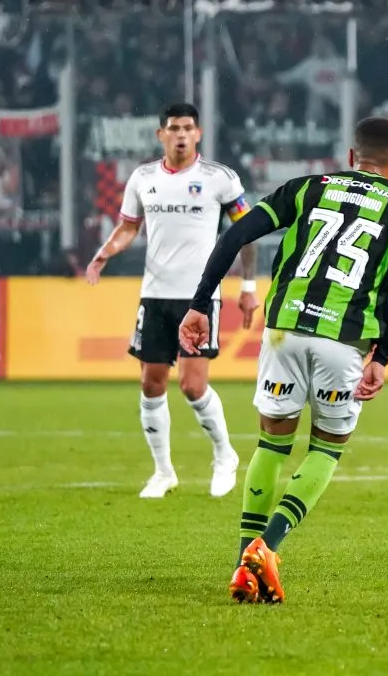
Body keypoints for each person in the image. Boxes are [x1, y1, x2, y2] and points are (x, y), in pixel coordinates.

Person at [178, 117, 388, 604]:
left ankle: (241, 562)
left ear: (351, 156)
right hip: (346, 338)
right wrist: (385, 354)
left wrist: (199, 302)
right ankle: (265, 550)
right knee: (326, 449)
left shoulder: (306, 188)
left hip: (283, 331)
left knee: (271, 447)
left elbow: (234, 237)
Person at [86, 103, 257, 500]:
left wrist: (248, 288)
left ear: (198, 134)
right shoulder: (143, 177)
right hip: (155, 295)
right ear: (161, 135)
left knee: (193, 387)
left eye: (188, 128)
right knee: (151, 384)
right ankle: (163, 472)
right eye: (174, 128)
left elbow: (246, 232)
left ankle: (224, 454)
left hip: (199, 297)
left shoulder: (219, 179)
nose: (181, 134)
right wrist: (104, 253)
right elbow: (128, 228)